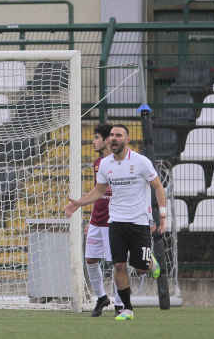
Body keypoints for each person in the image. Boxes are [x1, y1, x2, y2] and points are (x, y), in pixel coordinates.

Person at [64, 124, 165, 321]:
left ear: (127, 140)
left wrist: (162, 213)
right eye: (111, 135)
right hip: (116, 222)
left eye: (118, 135)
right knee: (118, 265)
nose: (113, 138)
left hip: (139, 222)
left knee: (141, 269)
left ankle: (149, 260)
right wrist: (79, 202)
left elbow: (158, 187)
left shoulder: (141, 161)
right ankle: (127, 309)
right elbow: (99, 191)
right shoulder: (104, 164)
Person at [85, 123, 124, 318]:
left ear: (107, 139)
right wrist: (91, 219)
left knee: (116, 263)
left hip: (113, 222)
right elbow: (97, 192)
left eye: (97, 138)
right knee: (90, 259)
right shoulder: (98, 163)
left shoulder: (122, 162)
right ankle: (102, 297)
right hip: (96, 220)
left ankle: (120, 303)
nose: (93, 141)